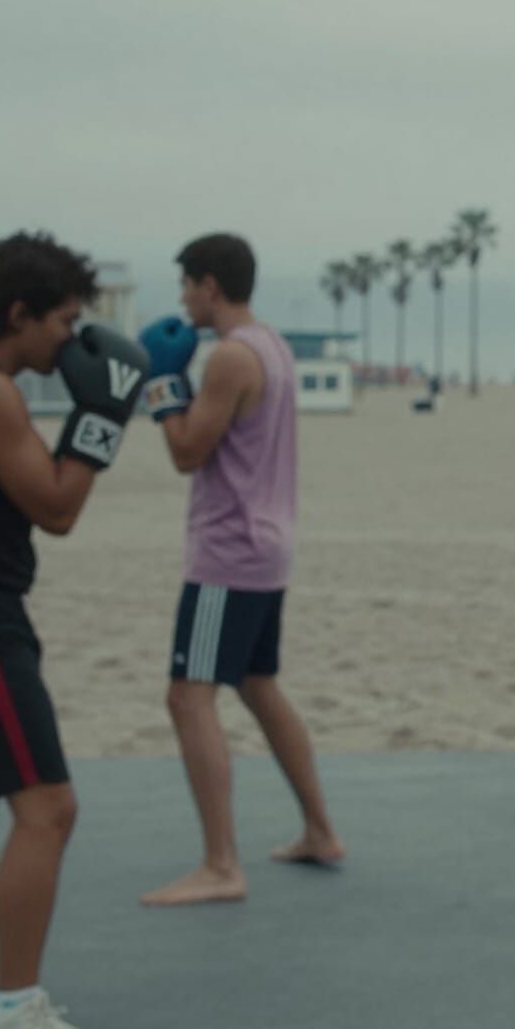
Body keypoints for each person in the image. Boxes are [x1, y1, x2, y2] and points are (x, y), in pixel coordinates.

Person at [139, 233, 343, 907]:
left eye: (186, 285)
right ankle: (320, 831)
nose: (181, 300)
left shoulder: (230, 356)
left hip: (228, 552)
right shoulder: (272, 345)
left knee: (187, 696)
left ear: (210, 286)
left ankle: (221, 865)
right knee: (258, 686)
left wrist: (162, 384)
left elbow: (187, 452)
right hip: (267, 544)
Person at [0, 231, 148, 1029]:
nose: (70, 340)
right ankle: (15, 1009)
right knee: (48, 808)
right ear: (18, 313)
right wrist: (100, 419)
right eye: (61, 321)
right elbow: (56, 508)